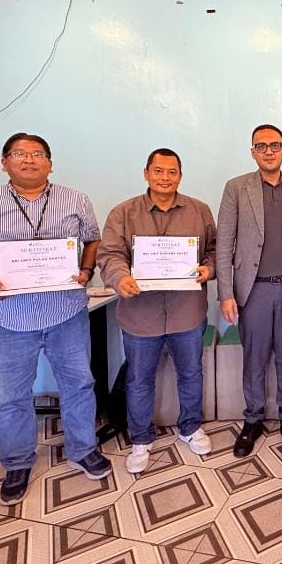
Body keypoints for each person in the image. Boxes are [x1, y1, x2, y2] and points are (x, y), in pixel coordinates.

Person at [0, 133, 109, 505]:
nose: (29, 160)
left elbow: (93, 240)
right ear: (4, 162)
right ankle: (17, 462)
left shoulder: (75, 199)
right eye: (19, 153)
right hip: (9, 316)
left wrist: (87, 270)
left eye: (37, 154)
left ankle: (83, 449)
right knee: (11, 396)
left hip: (66, 311)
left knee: (79, 384)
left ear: (50, 163)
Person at [98, 148, 217, 471]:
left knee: (191, 373)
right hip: (140, 314)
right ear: (146, 173)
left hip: (187, 311)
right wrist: (119, 277)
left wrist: (208, 269)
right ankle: (140, 439)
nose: (165, 178)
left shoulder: (199, 210)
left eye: (172, 172)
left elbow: (214, 249)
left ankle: (191, 427)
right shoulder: (123, 213)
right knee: (139, 380)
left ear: (180, 175)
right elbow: (109, 255)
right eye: (159, 171)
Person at [216, 124, 282, 457]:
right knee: (254, 359)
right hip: (253, 290)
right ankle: (253, 419)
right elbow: (224, 244)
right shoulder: (236, 188)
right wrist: (226, 293)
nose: (269, 151)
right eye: (261, 146)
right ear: (253, 152)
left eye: (275, 145)